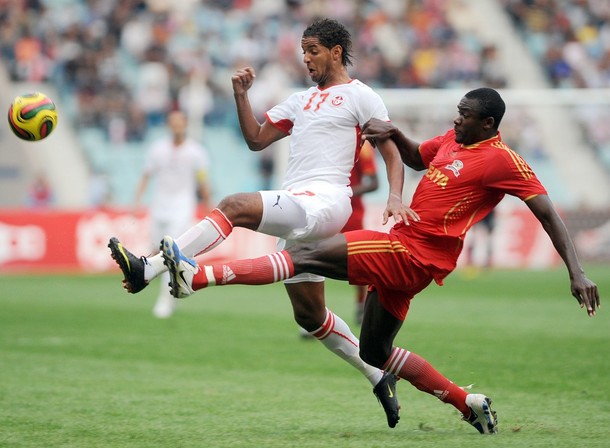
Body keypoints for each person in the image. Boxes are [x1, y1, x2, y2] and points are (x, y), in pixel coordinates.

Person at [159, 87, 600, 435]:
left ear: (488, 123)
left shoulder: (502, 159)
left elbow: (546, 212)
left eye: (464, 115)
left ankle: (198, 276)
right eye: (457, 111)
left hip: (412, 254)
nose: (455, 118)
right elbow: (413, 156)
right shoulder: (452, 140)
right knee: (374, 351)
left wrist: (576, 271)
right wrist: (388, 132)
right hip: (408, 253)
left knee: (303, 254)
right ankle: (468, 404)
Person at [109, 19, 413, 428]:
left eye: (313, 50)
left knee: (234, 205)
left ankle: (151, 266)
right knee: (310, 317)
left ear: (336, 51)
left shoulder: (362, 97)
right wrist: (240, 95)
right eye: (303, 51)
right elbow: (255, 138)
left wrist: (394, 196)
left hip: (327, 201)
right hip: (299, 201)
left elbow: (390, 151)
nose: (306, 58)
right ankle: (379, 376)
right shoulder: (299, 100)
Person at [133, 110, 211, 318]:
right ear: (169, 125)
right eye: (173, 123)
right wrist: (138, 199)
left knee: (171, 252)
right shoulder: (157, 149)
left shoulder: (196, 152)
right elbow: (146, 175)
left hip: (182, 207)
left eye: (180, 123)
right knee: (155, 252)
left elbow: (203, 181)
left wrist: (209, 206)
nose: (177, 127)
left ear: (185, 125)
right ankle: (175, 285)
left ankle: (165, 300)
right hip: (159, 206)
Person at [341, 141, 379, 324]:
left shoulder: (362, 146)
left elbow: (374, 183)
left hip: (351, 214)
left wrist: (343, 193)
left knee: (358, 263)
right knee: (310, 258)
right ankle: (314, 316)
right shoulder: (322, 138)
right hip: (321, 209)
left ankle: (361, 306)